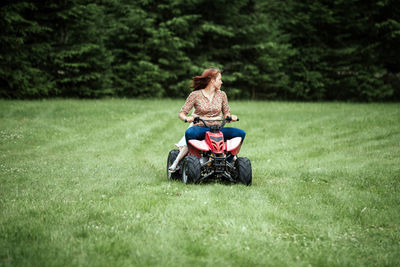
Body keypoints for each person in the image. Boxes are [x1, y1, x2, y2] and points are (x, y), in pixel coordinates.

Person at [170, 68, 245, 169]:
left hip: (218, 129)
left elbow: (226, 113)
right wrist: (186, 118)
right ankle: (192, 161)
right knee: (190, 133)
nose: (221, 82)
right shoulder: (195, 95)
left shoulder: (222, 95)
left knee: (240, 134)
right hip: (201, 128)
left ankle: (229, 160)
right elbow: (182, 113)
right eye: (219, 79)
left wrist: (230, 117)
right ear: (212, 80)